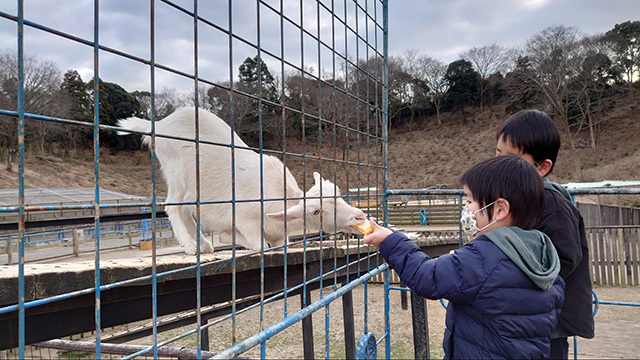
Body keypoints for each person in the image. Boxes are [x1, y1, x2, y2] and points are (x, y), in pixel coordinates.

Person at [364, 155, 565, 359]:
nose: (466, 209)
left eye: (470, 201)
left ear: (500, 209)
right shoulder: (544, 256)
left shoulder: (483, 257)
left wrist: (390, 241)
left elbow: (427, 276)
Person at [496, 110, 595, 359]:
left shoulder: (553, 206)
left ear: (541, 167)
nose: (498, 166)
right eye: (497, 155)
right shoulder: (514, 200)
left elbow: (565, 259)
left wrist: (516, 278)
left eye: (510, 159)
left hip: (547, 326)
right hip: (523, 320)